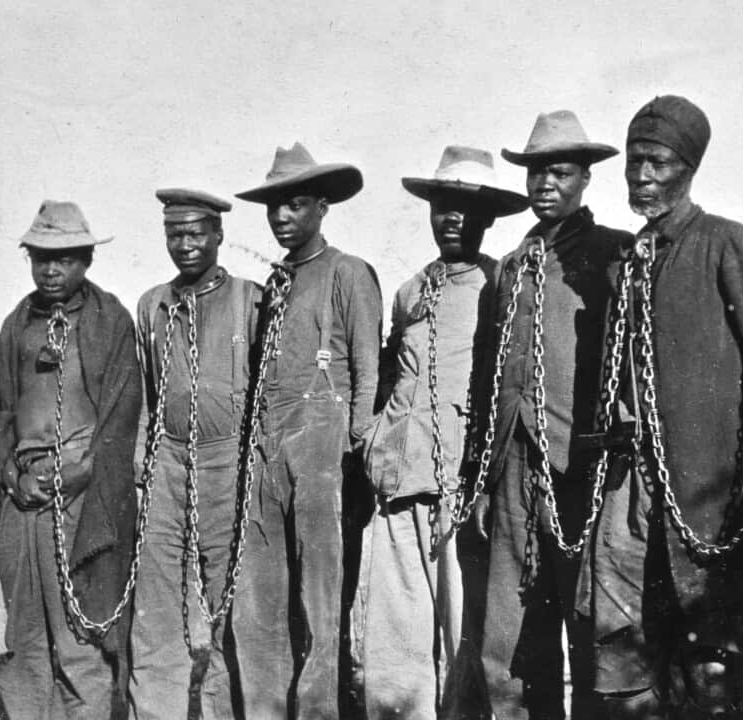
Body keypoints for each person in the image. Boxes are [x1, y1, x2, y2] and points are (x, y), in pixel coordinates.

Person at [581, 95, 743, 718]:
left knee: (709, 657)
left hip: (705, 491)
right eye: (633, 163)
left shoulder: (730, 245)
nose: (641, 176)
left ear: (687, 168)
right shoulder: (624, 260)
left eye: (657, 163)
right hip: (625, 489)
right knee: (621, 645)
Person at [353, 145, 528, 719]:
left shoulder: (501, 284)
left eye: (464, 208)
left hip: (464, 489)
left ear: (487, 219)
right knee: (394, 644)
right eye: (441, 207)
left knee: (467, 640)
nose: (451, 218)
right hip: (400, 487)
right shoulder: (409, 291)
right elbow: (388, 375)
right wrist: (377, 439)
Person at [473, 110, 630, 720]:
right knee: (511, 631)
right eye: (537, 172)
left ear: (585, 180)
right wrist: (483, 474)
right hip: (514, 463)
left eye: (560, 173)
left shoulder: (613, 253)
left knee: (587, 615)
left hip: (580, 465)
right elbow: (491, 372)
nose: (545, 185)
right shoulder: (512, 265)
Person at [0, 200, 142, 719]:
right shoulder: (17, 323)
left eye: (63, 258)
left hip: (86, 501)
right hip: (26, 499)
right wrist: (12, 476)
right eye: (41, 257)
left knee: (82, 634)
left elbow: (122, 415)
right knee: (27, 634)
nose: (50, 269)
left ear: (86, 259)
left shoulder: (112, 321)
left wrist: (81, 471)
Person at [231, 142, 383, 719]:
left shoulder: (349, 273)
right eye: (274, 207)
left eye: (294, 205)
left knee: (321, 606)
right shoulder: (274, 285)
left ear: (322, 207)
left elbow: (368, 372)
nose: (281, 217)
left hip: (324, 451)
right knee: (260, 602)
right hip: (267, 451)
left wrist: (358, 452)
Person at [129, 188, 261, 720]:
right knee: (158, 602)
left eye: (195, 232)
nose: (185, 244)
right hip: (166, 460)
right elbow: (144, 388)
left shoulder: (250, 299)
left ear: (218, 235)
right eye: (174, 233)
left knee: (229, 599)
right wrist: (143, 454)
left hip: (228, 461)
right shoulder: (153, 304)